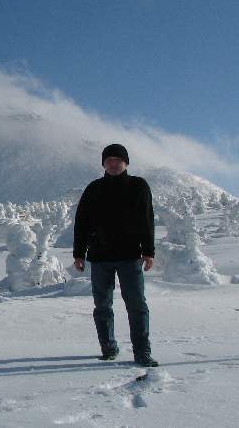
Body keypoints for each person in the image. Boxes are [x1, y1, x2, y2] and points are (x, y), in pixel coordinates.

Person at [73, 144, 158, 367]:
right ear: (103, 164)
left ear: (126, 162)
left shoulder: (138, 186)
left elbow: (146, 220)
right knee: (102, 306)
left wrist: (148, 251)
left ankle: (142, 353)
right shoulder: (94, 188)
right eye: (108, 160)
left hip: (130, 256)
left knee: (136, 304)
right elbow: (81, 223)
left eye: (117, 160)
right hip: (100, 257)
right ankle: (108, 348)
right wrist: (79, 253)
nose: (112, 163)